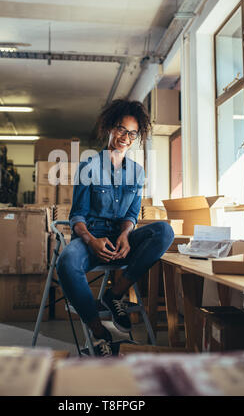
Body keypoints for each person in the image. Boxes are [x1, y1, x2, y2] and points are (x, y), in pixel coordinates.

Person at [56, 99, 174, 356]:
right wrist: (90, 241)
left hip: (120, 242)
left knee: (164, 231)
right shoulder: (88, 166)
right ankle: (99, 332)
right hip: (93, 239)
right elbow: (77, 215)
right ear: (110, 127)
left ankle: (115, 294)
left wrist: (125, 234)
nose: (126, 137)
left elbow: (132, 213)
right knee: (65, 262)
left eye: (132, 133)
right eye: (122, 129)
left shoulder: (137, 172)